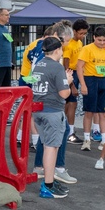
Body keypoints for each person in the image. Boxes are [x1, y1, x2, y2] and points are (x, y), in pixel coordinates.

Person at [29, 37, 73, 198]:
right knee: (51, 147)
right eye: (61, 49)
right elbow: (63, 93)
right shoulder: (57, 67)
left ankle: (49, 181)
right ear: (57, 51)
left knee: (48, 144)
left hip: (39, 109)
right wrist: (67, 82)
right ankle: (48, 185)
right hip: (52, 110)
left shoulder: (39, 64)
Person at [77, 26, 105, 153]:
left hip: (104, 81)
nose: (102, 43)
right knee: (89, 112)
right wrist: (83, 85)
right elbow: (79, 67)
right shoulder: (87, 49)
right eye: (99, 40)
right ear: (94, 38)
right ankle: (87, 140)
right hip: (91, 80)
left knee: (104, 113)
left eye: (104, 40)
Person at [63, 19, 89, 144]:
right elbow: (65, 64)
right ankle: (69, 132)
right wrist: (72, 85)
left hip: (77, 73)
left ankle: (67, 129)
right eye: (81, 33)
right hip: (70, 74)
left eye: (85, 33)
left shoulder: (79, 43)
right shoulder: (69, 44)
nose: (83, 36)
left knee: (71, 103)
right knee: (70, 103)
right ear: (74, 31)